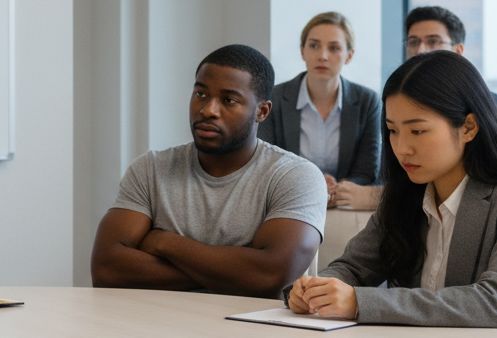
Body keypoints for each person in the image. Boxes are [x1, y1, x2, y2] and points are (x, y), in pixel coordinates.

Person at [287, 51, 497, 331]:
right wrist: (316, 290)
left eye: (417, 131)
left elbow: (495, 304)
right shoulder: (407, 193)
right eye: (393, 130)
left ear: (469, 127)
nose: (402, 148)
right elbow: (353, 268)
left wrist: (359, 302)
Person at [91, 44, 327, 297]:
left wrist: (163, 242)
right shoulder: (150, 168)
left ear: (261, 111)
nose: (208, 110)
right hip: (157, 318)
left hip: (247, 323)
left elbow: (270, 275)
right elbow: (106, 269)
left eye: (228, 100)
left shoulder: (296, 176)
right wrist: (234, 275)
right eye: (201, 94)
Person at [331, 4, 497, 211]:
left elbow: (488, 179)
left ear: (458, 51)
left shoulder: (491, 105)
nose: (420, 50)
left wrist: (376, 197)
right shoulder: (396, 101)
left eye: (433, 41)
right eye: (413, 42)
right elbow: (394, 174)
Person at [258, 12, 381, 207]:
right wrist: (311, 185)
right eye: (314, 46)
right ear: (302, 51)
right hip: (287, 202)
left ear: (349, 56)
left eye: (334, 48)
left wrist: (336, 190)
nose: (323, 56)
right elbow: (266, 164)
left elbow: (367, 172)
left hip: (343, 206)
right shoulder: (274, 98)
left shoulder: (368, 101)